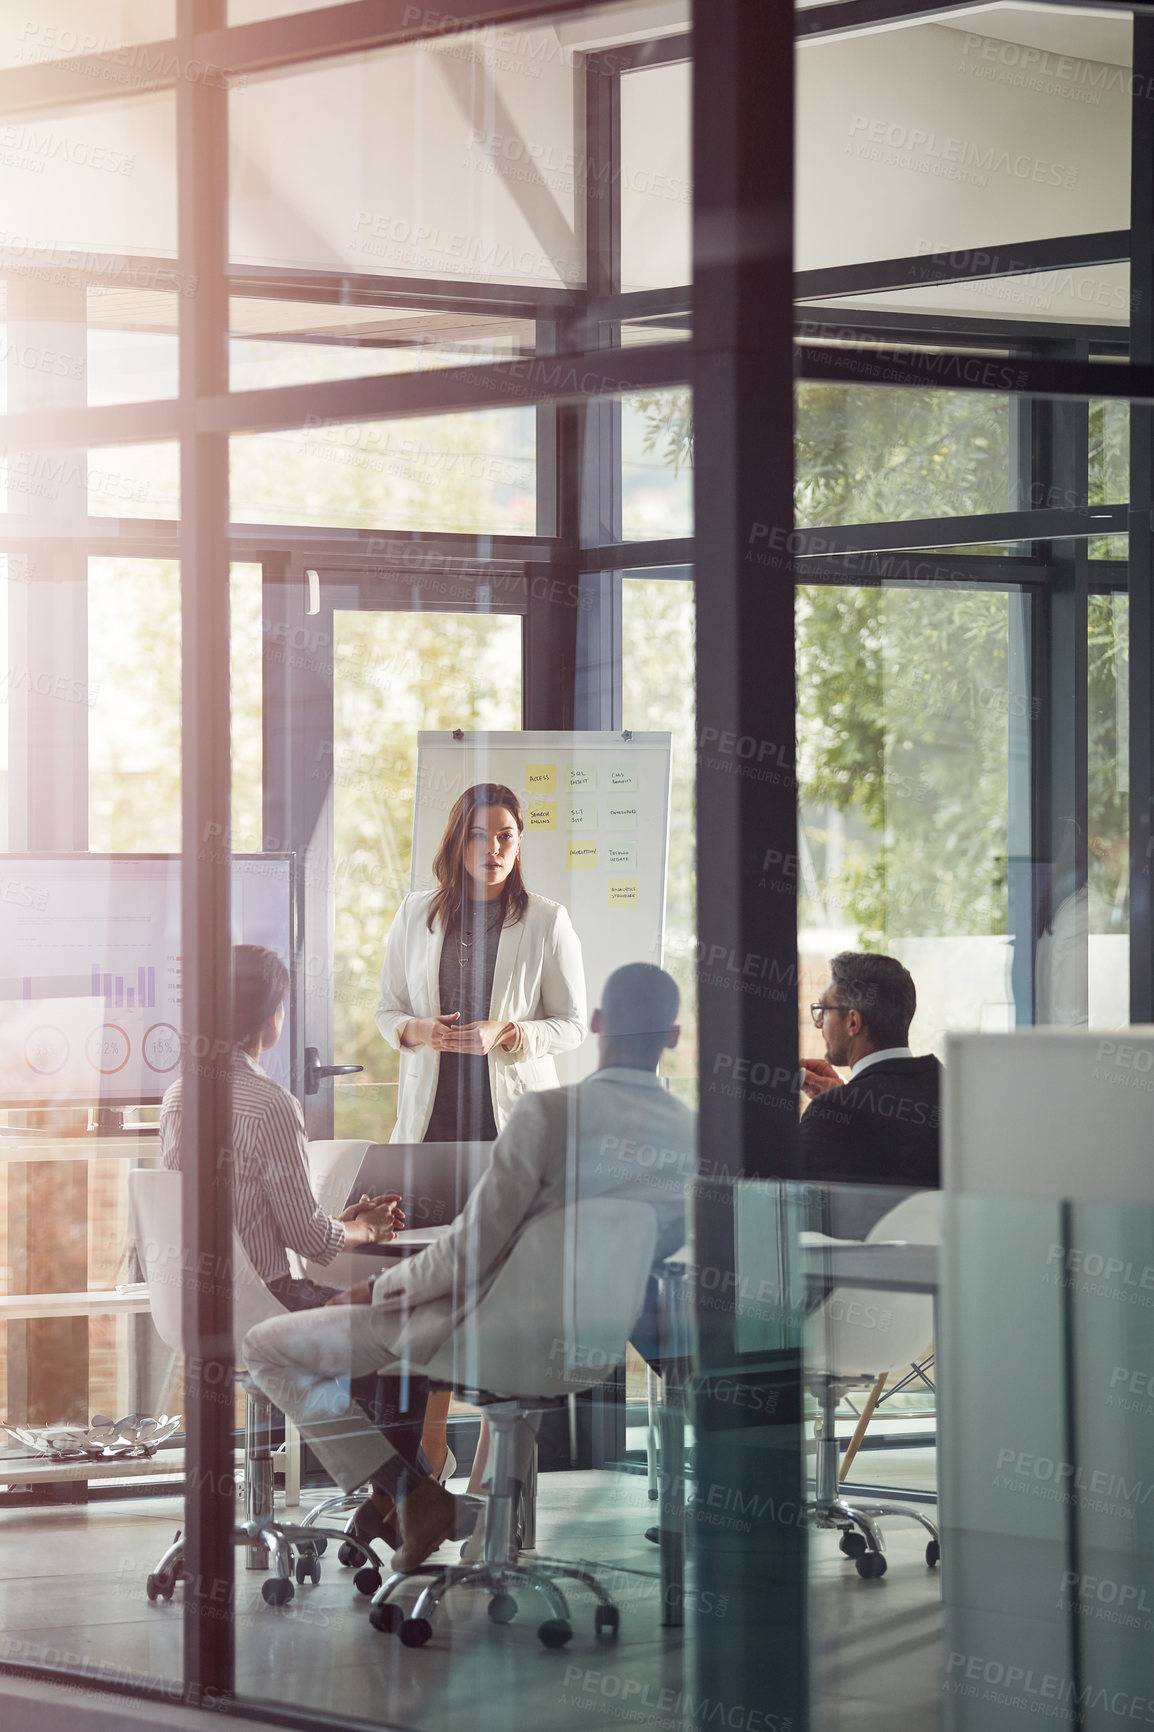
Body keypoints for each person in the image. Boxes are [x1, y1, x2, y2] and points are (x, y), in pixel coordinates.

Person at [243, 962, 692, 1576]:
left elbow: (467, 1250)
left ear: (595, 1025)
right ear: (672, 1037)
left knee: (273, 1347)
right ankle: (439, 1514)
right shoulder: (691, 1136)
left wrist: (373, 1289)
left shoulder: (547, 1116)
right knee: (444, 1351)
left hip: (488, 1339)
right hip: (592, 1348)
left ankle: (408, 1496)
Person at [374, 780, 588, 1484]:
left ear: (519, 842)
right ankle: (429, 1457)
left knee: (506, 1301)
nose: (492, 849)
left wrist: (511, 1034)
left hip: (511, 1143)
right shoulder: (415, 916)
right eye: (478, 835)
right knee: (435, 1299)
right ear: (456, 840)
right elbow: (387, 1009)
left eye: (505, 836)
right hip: (432, 1140)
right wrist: (416, 1030)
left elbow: (573, 1024)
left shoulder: (548, 920)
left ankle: (499, 1475)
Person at [160, 944, 403, 1308]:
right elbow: (311, 1241)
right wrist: (368, 1228)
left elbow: (245, 1221)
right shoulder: (272, 1105)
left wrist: (340, 1223)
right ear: (272, 1018)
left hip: (193, 1306)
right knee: (390, 1307)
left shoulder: (175, 1097)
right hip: (266, 1299)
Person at [800, 951, 941, 1239]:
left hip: (861, 1279)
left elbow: (795, 1224)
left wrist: (837, 1105)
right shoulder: (956, 1090)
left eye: (824, 1010)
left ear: (853, 1022)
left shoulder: (833, 1116)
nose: (818, 1023)